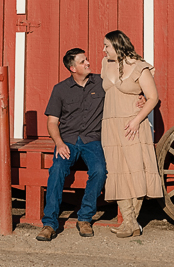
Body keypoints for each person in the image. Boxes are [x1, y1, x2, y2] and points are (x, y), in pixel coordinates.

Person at [36, 48, 108, 241]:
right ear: (72, 67)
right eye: (83, 61)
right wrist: (59, 144)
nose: (88, 63)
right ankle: (49, 224)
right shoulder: (60, 89)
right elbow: (52, 122)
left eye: (87, 59)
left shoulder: (101, 83)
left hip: (91, 140)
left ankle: (84, 218)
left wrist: (140, 99)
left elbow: (124, 90)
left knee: (100, 171)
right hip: (67, 140)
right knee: (57, 169)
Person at [101, 30, 163, 238]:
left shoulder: (140, 67)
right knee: (116, 171)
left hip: (132, 125)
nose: (103, 49)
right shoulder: (105, 64)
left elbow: (152, 98)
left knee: (135, 171)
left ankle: (131, 223)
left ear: (117, 46)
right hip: (110, 126)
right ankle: (130, 222)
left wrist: (137, 120)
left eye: (107, 46)